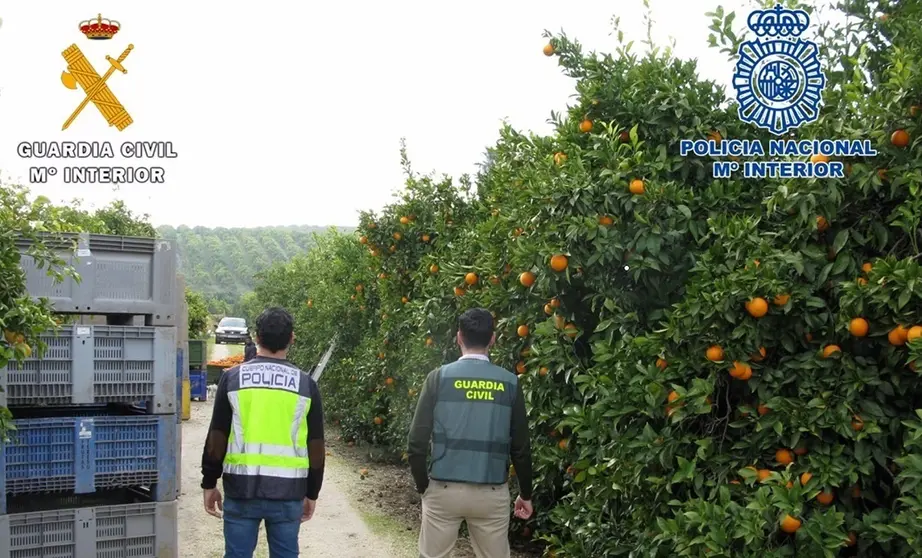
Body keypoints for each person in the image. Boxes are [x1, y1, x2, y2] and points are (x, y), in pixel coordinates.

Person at [407, 308, 534, 558]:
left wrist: (425, 487)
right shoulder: (509, 382)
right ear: (492, 339)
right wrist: (526, 494)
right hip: (491, 493)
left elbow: (416, 443)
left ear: (459, 338)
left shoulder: (438, 378)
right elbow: (520, 447)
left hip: (443, 489)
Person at [201, 307, 325, 558]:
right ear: (292, 338)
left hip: (241, 489)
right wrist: (312, 492)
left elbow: (217, 436)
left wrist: (209, 482)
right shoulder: (305, 385)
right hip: (289, 494)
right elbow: (316, 446)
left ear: (256, 337)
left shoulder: (233, 378)